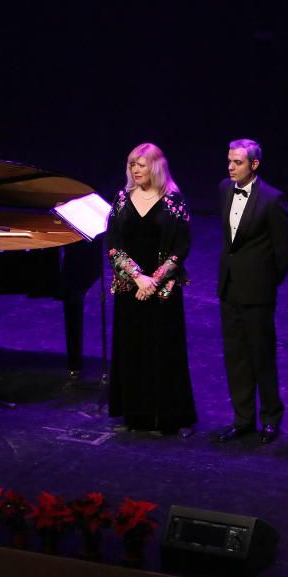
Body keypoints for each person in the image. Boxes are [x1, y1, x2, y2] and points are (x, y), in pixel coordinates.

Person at [106, 143, 197, 434]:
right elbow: (113, 245)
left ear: (155, 167)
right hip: (130, 289)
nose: (135, 169)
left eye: (141, 165)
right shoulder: (122, 199)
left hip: (162, 290)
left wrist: (153, 280)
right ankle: (136, 415)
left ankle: (168, 417)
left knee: (163, 350)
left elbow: (181, 247)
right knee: (132, 349)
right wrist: (137, 278)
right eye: (132, 164)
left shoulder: (173, 200)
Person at [216, 139, 288, 444]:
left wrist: (266, 280)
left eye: (237, 162)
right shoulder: (224, 188)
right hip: (229, 286)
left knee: (261, 355)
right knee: (235, 356)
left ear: (254, 165)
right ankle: (243, 418)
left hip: (258, 290)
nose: (231, 167)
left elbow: (283, 249)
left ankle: (271, 417)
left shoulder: (273, 200)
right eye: (229, 161)